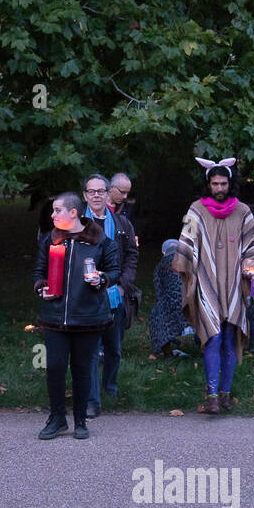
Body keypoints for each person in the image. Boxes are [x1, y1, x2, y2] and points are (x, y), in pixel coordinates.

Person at [172, 157, 254, 415]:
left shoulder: (243, 211)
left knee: (229, 337)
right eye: (214, 183)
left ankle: (226, 394)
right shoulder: (196, 210)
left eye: (223, 183)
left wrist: (252, 267)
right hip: (207, 285)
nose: (219, 188)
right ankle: (212, 395)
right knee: (213, 336)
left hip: (235, 285)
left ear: (231, 183)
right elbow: (186, 243)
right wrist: (191, 262)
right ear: (208, 184)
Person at [33, 192, 119, 440]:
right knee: (55, 367)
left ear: (73, 213)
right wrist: (41, 287)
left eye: (57, 210)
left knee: (82, 369)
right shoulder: (51, 238)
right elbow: (38, 271)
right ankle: (57, 418)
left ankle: (80, 419)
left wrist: (101, 278)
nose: (52, 215)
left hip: (88, 317)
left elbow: (114, 270)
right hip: (55, 317)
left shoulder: (99, 240)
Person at [82, 173, 138, 416]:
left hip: (115, 295)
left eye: (101, 191)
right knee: (91, 349)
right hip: (85, 297)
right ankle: (92, 401)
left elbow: (132, 256)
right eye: (91, 191)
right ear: (85, 195)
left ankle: (110, 389)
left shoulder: (122, 224)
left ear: (108, 194)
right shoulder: (75, 223)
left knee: (113, 348)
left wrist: (124, 285)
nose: (96, 195)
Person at [148, 238, 189, 357]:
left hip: (172, 307)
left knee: (156, 314)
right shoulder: (191, 261)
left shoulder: (159, 266)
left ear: (163, 252)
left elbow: (159, 292)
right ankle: (203, 350)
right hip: (192, 305)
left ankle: (167, 352)